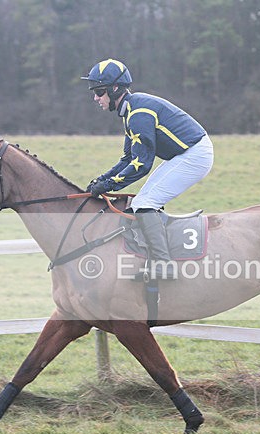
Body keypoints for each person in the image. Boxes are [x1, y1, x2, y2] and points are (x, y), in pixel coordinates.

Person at [82, 58, 214, 279]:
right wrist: (101, 180)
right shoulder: (130, 111)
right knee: (142, 203)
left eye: (99, 91)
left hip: (194, 156)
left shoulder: (138, 115)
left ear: (115, 89)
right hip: (185, 154)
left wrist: (109, 185)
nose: (96, 98)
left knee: (144, 204)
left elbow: (141, 165)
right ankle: (156, 255)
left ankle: (164, 265)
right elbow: (127, 159)